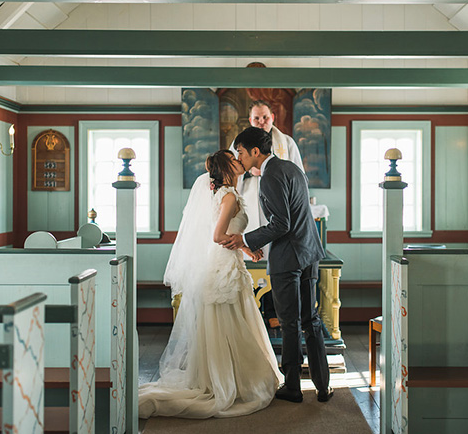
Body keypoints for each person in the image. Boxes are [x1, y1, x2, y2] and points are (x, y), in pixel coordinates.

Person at [138, 149, 282, 419]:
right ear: (227, 166)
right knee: (229, 322)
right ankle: (229, 382)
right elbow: (217, 236)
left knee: (233, 321)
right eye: (234, 158)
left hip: (227, 261)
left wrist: (247, 249)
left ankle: (232, 378)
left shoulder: (227, 193)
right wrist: (242, 245)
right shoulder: (227, 195)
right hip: (222, 266)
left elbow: (227, 233)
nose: (239, 160)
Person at [220, 127, 333, 404]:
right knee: (311, 320)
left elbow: (281, 224)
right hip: (309, 252)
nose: (240, 158)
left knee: (290, 323)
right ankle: (322, 386)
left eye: (242, 153)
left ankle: (293, 386)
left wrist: (245, 238)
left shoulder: (270, 175)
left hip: (288, 258)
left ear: (255, 152)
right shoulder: (292, 168)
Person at [231, 100, 304, 326]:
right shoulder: (239, 143)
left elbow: (297, 172)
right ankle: (252, 308)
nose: (261, 122)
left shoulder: (287, 142)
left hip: (278, 201)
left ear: (273, 117)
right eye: (256, 118)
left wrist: (268, 170)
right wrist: (252, 171)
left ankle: (273, 311)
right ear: (250, 120)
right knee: (255, 251)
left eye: (265, 117)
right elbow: (234, 171)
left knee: (275, 251)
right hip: (252, 198)